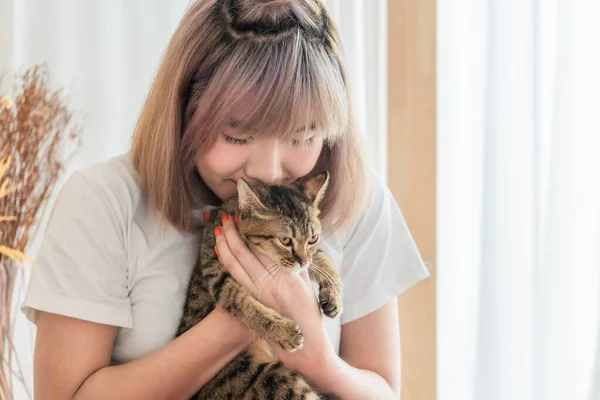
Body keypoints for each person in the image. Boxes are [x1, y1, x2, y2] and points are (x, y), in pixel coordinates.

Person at [21, 0, 429, 398]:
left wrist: (320, 360)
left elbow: (383, 389)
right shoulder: (102, 203)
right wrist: (239, 325)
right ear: (184, 110)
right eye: (237, 136)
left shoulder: (354, 200)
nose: (268, 172)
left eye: (302, 137)